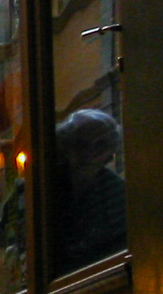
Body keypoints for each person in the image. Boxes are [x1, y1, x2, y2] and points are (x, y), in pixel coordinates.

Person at [52, 108, 126, 274]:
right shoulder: (39, 188)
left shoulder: (117, 192)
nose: (89, 152)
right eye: (80, 142)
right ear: (65, 145)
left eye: (100, 145)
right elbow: (1, 241)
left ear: (110, 153)